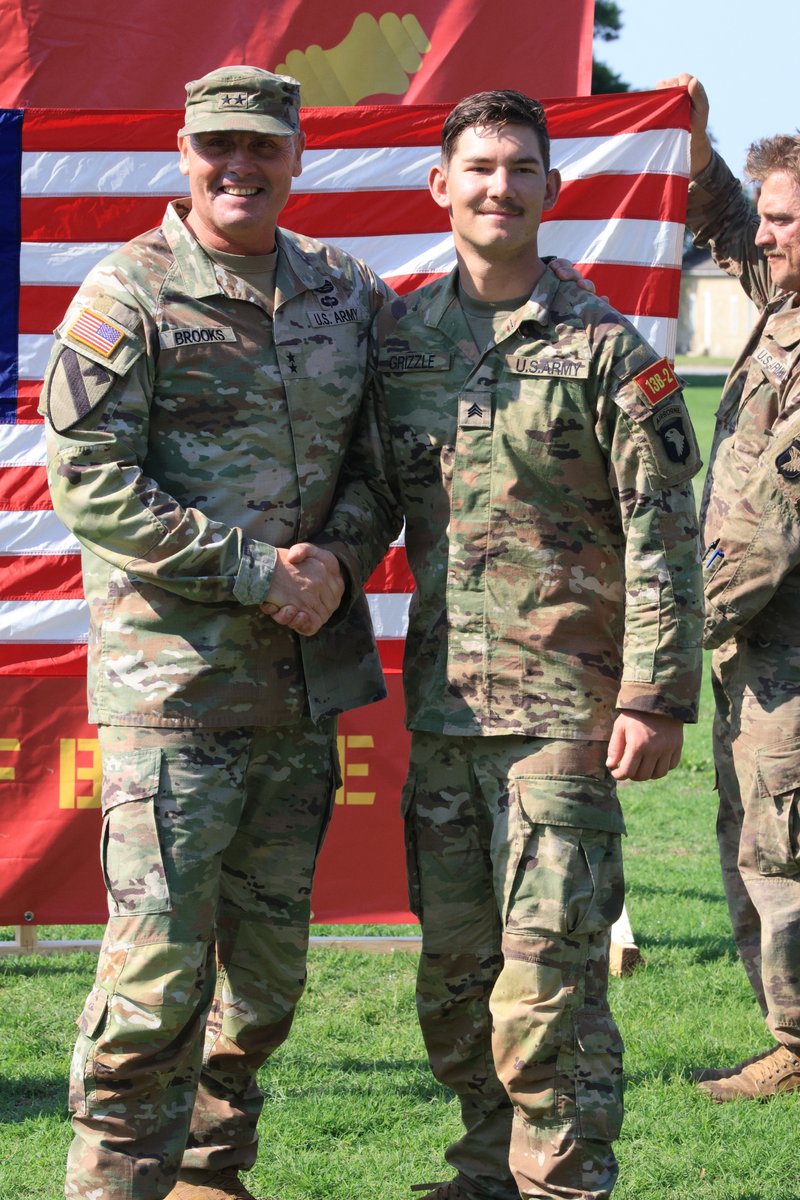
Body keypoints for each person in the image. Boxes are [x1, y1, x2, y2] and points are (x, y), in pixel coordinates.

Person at [42, 66, 400, 1200]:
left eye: (262, 148)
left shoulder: (347, 293)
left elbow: (380, 467)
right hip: (175, 691)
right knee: (153, 972)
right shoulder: (128, 293)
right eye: (216, 147)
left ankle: (208, 1168)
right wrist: (259, 576)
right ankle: (113, 1182)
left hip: (296, 695)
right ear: (183, 151)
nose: (238, 167)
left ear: (296, 158)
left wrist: (338, 561)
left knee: (267, 977)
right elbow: (88, 479)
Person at [360, 89, 704, 1200]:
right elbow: (366, 502)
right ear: (440, 188)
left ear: (549, 191)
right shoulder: (403, 343)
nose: (497, 187)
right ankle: (481, 1173)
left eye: (518, 168)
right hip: (443, 712)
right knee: (457, 980)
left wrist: (652, 696)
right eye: (477, 168)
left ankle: (561, 1184)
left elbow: (663, 535)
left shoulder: (608, 352)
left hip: (563, 716)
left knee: (544, 985)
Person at [656, 74, 800, 1103]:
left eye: (787, 220)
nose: (769, 237)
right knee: (751, 838)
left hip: (776, 650)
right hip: (753, 654)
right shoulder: (785, 306)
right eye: (771, 217)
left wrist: (659, 637)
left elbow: (765, 545)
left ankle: (797, 1050)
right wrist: (698, 150)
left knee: (782, 851)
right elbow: (727, 233)